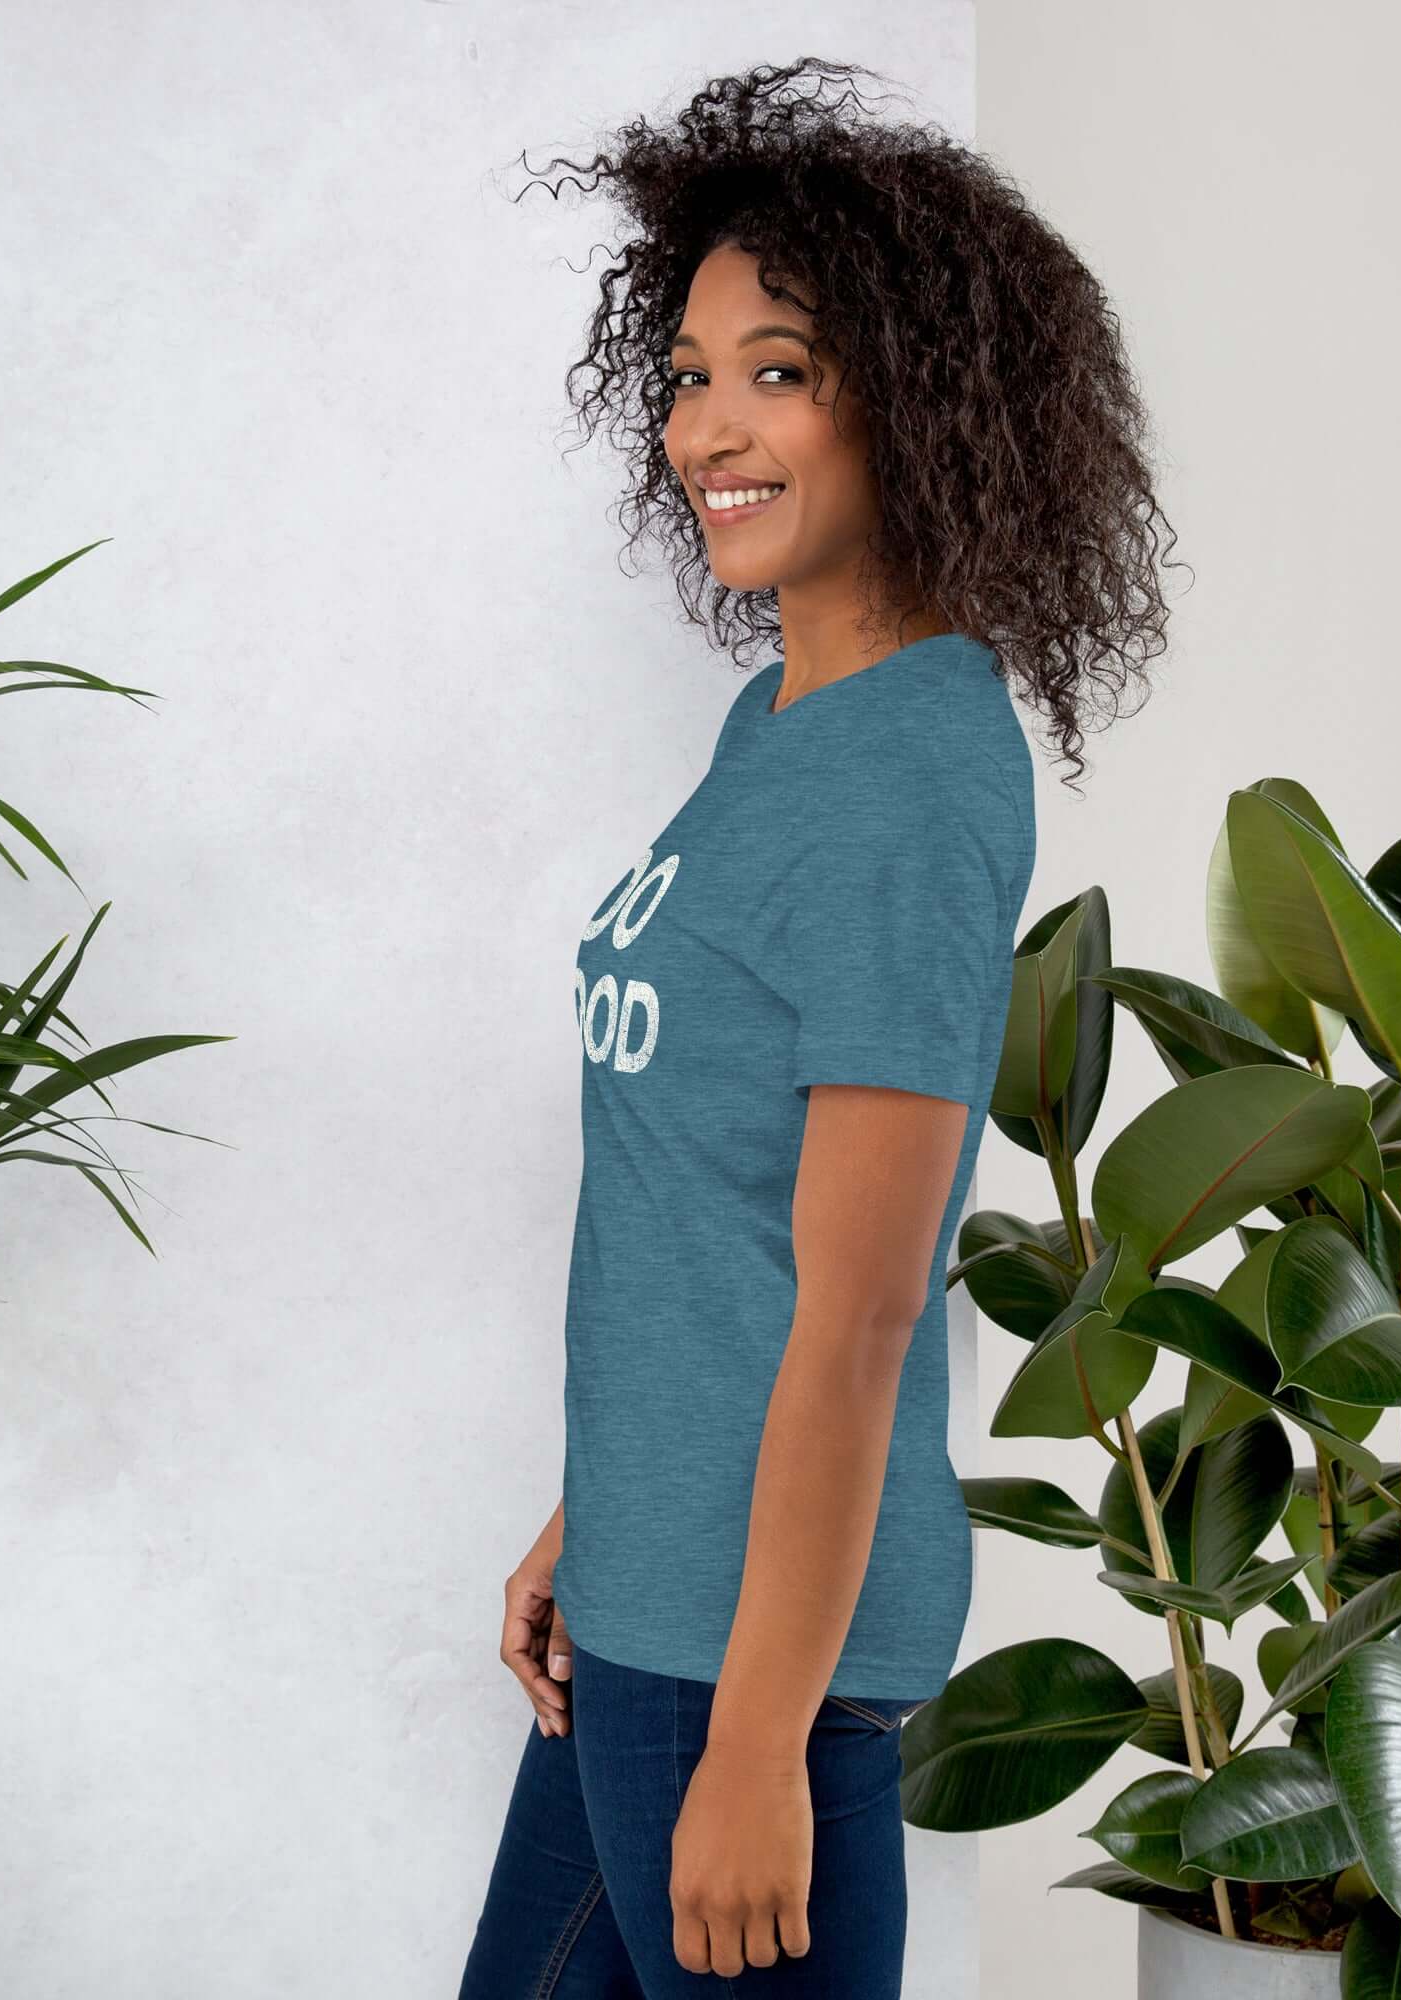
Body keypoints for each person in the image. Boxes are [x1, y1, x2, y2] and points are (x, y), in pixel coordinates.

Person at [459, 57, 1179, 1998]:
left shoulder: (908, 779)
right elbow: (717, 1207)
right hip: (649, 1614)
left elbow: (860, 1309)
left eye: (778, 369)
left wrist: (761, 1746)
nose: (710, 426)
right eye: (689, 374)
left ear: (926, 405)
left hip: (749, 1673)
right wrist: (596, 1514)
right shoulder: (773, 731)